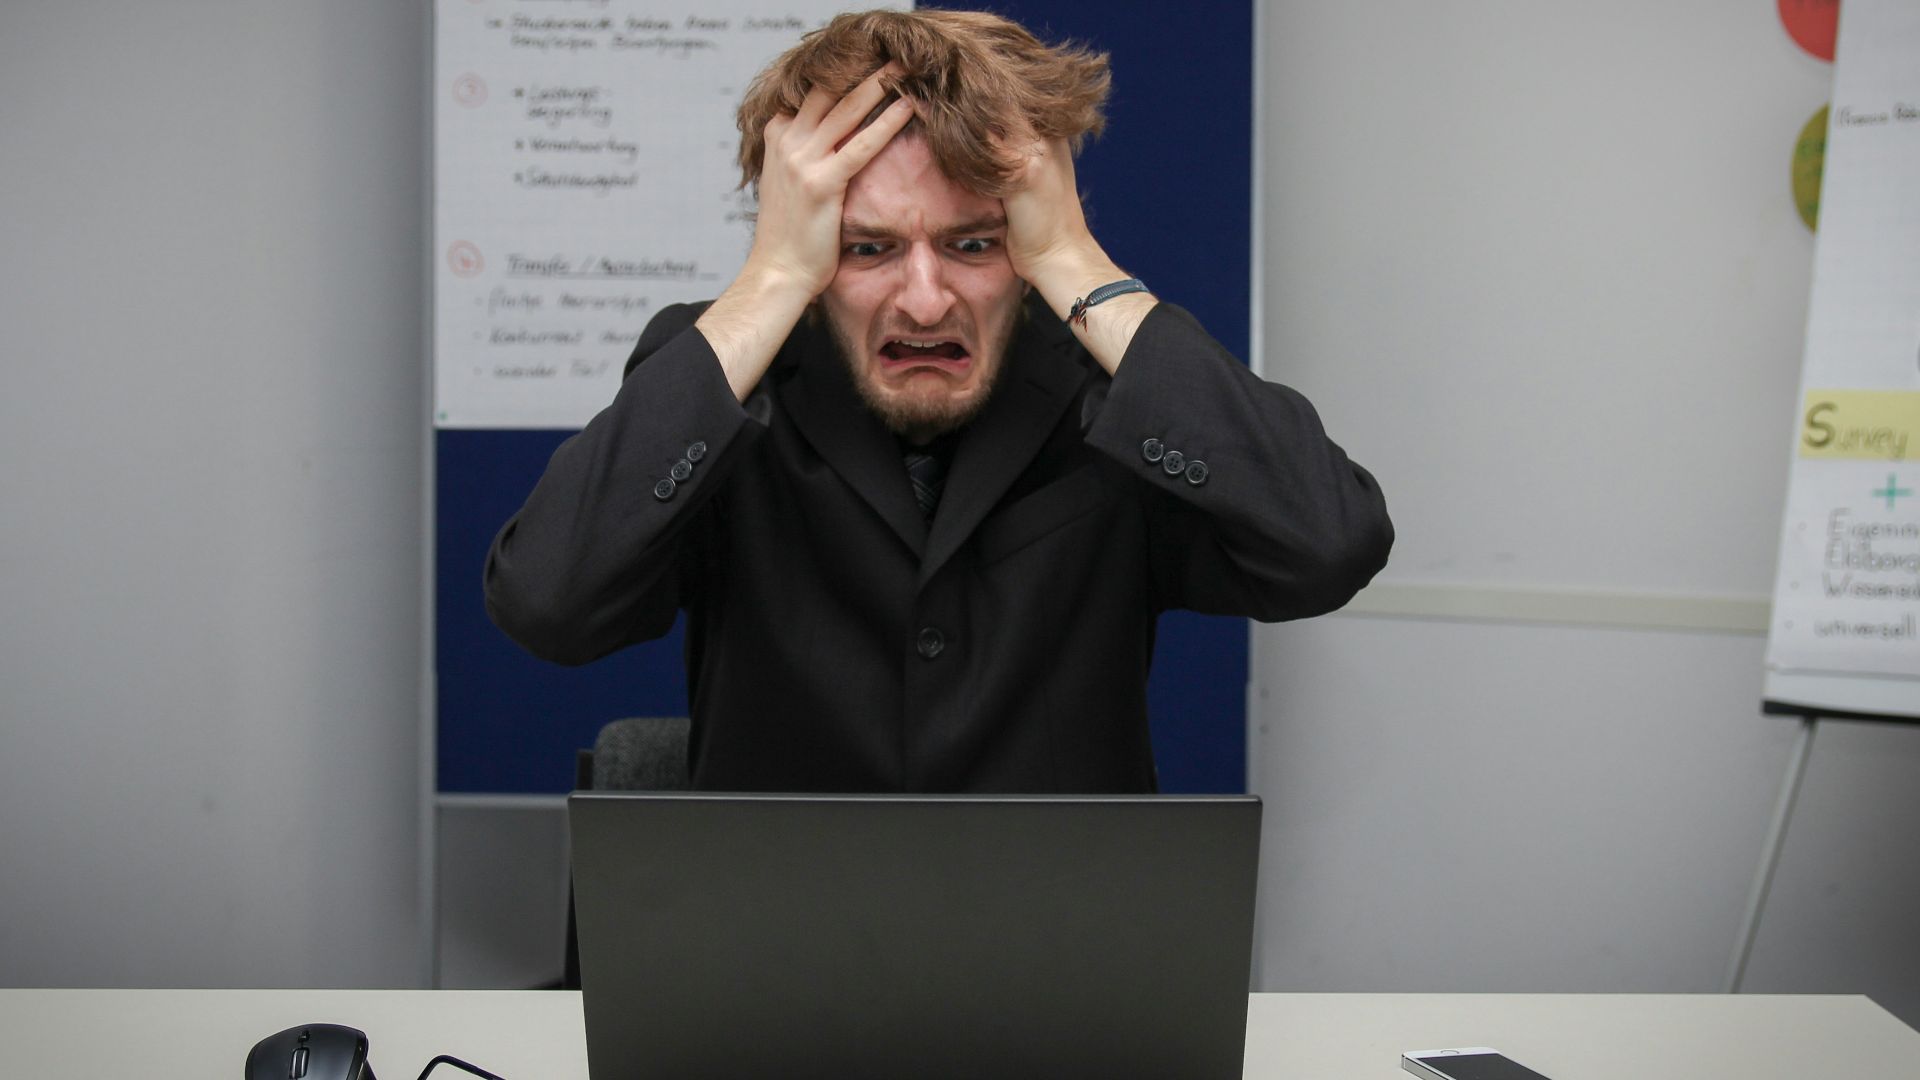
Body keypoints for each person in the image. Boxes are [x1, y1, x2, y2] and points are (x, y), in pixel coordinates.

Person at [484, 9, 1392, 793]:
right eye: (867, 249)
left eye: (973, 244)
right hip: (779, 959)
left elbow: (1325, 544)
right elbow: (549, 601)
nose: (923, 300)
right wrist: (771, 280)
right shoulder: (728, 384)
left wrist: (1075, 264)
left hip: (1061, 957)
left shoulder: (1106, 386)